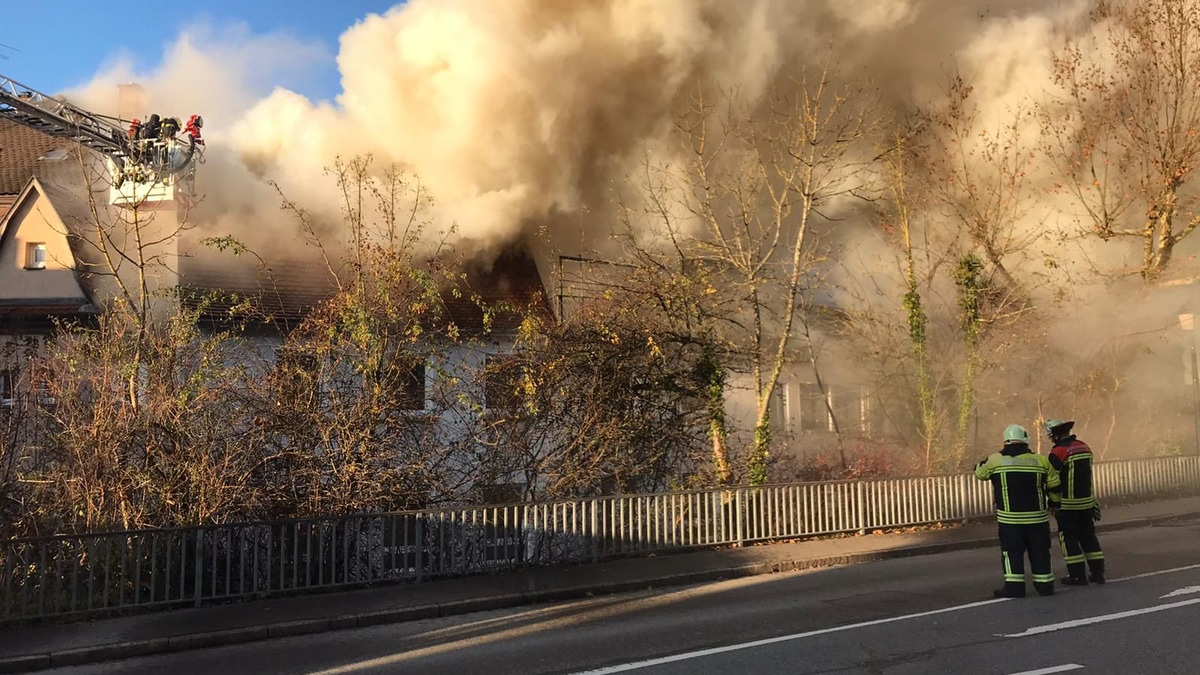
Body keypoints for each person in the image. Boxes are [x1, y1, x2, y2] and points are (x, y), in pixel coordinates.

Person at [975, 424, 1061, 598]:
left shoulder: (995, 460)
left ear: (1005, 440)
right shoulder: (1041, 460)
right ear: (1026, 440)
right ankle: (1045, 586)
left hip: (1010, 521)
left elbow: (979, 473)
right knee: (1040, 553)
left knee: (1011, 553)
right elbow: (1054, 485)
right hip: (1037, 520)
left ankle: (1014, 588)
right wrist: (1055, 504)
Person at [1045, 418, 1105, 585]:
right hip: (1087, 503)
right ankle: (1098, 573)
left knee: (1068, 538)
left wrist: (1052, 502)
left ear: (1055, 435)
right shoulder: (1084, 447)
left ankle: (1077, 575)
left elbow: (1052, 480)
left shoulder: (1058, 453)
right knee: (1089, 537)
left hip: (1067, 505)